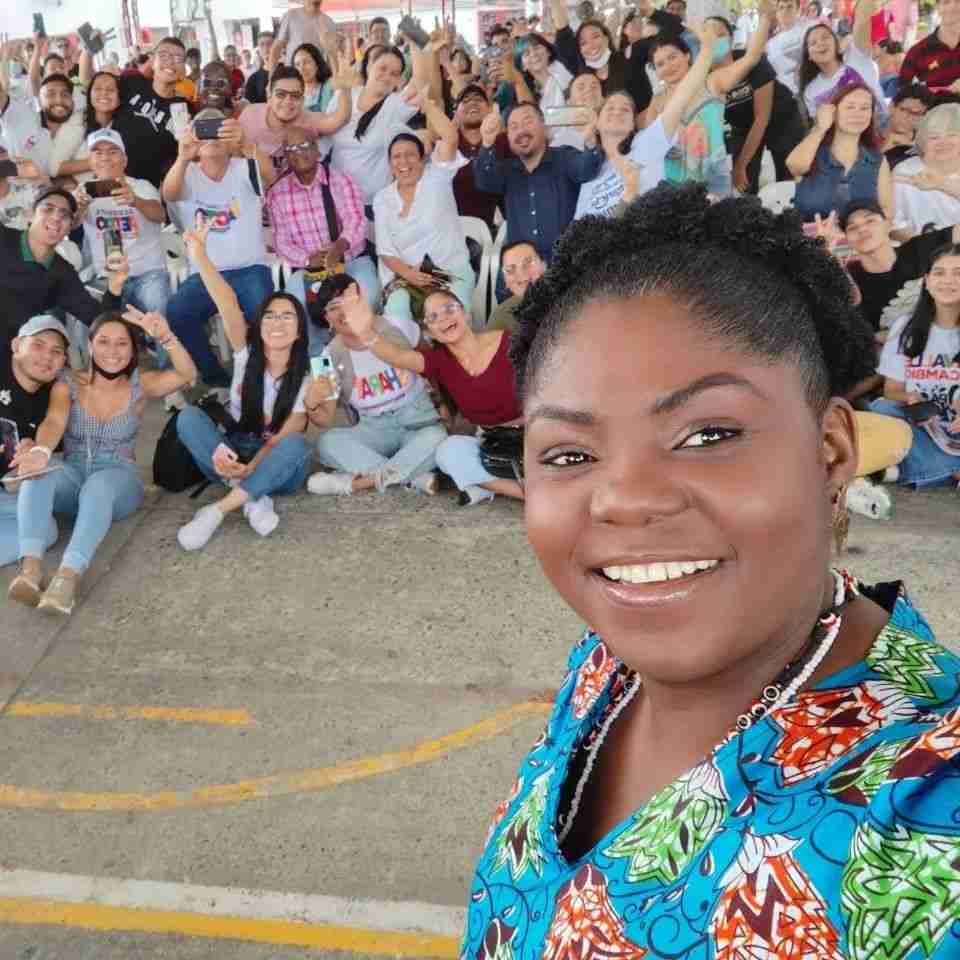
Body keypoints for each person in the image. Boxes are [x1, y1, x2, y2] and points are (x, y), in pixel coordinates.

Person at [460, 182, 960, 960]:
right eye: (568, 454)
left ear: (831, 449)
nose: (624, 501)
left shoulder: (926, 819)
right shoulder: (603, 672)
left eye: (707, 434)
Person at [15, 303, 195, 615]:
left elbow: (186, 374)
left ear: (133, 349)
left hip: (118, 479)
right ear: (90, 345)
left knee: (97, 487)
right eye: (103, 342)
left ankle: (67, 577)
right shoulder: (68, 383)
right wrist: (40, 452)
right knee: (38, 471)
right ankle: (30, 571)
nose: (112, 351)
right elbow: (55, 422)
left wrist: (165, 336)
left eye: (122, 343)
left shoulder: (141, 385)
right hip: (72, 474)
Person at [176, 226, 311, 551]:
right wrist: (199, 255)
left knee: (295, 445)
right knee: (188, 418)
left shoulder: (307, 378)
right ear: (260, 324)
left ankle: (217, 509)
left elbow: (282, 438)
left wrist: (253, 467)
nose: (277, 323)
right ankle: (251, 497)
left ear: (298, 332)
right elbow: (226, 300)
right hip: (234, 453)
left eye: (287, 317)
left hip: (275, 462)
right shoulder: (245, 353)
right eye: (270, 316)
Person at [337, 285, 524, 505]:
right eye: (434, 317)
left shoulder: (509, 342)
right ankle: (522, 493)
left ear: (465, 312)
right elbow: (396, 356)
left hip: (536, 432)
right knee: (447, 452)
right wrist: (365, 332)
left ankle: (482, 486)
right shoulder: (437, 361)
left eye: (449, 309)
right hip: (493, 444)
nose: (444, 319)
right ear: (430, 331)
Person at [304, 275, 447, 497]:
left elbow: (433, 365)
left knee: (438, 438)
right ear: (327, 318)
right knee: (326, 443)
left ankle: (353, 484)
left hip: (416, 419)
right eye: (334, 307)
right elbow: (324, 420)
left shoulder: (397, 325)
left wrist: (444, 404)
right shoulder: (326, 358)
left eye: (349, 302)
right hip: (373, 429)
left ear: (362, 302)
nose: (344, 312)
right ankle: (415, 476)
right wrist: (310, 402)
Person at [162, 121, 273, 389]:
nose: (212, 136)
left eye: (219, 129)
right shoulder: (186, 173)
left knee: (265, 314)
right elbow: (169, 193)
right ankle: (215, 377)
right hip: (204, 274)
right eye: (204, 129)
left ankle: (261, 374)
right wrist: (183, 156)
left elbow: (270, 177)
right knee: (177, 313)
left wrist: (245, 145)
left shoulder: (245, 166)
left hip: (250, 269)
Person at [576, 29, 723, 216]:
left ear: (633, 125)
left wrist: (707, 51)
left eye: (626, 109)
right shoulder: (590, 173)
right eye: (610, 107)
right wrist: (628, 194)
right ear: (597, 123)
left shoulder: (646, 142)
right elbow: (586, 236)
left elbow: (682, 95)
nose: (617, 111)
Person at [374, 97, 475, 336]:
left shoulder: (436, 178)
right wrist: (410, 274)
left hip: (448, 273)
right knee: (396, 311)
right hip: (407, 278)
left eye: (410, 155)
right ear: (390, 164)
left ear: (422, 159)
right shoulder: (383, 198)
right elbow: (386, 251)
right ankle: (411, 367)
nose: (404, 162)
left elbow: (450, 136)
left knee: (451, 315)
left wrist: (427, 105)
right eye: (396, 157)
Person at [644, 8, 773, 196]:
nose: (668, 66)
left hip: (713, 184)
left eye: (672, 57)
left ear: (687, 56)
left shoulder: (712, 82)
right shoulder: (658, 99)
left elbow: (752, 57)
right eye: (660, 64)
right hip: (672, 185)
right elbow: (651, 144)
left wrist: (766, 17)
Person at [267, 127, 380, 326]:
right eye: (291, 148)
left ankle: (359, 351)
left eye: (303, 145)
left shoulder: (341, 180)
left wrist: (341, 245)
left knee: (366, 299)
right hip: (308, 270)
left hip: (351, 261)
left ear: (317, 149)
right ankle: (317, 354)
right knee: (295, 312)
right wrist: (307, 259)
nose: (298, 152)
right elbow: (281, 242)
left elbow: (357, 220)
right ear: (285, 156)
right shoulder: (278, 194)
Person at [871, 242, 960, 485]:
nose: (948, 281)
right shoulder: (906, 328)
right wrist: (912, 398)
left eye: (958, 273)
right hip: (925, 429)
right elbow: (892, 389)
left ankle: (924, 471)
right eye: (939, 273)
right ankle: (948, 472)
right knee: (882, 410)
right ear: (927, 281)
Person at [474, 102, 603, 265]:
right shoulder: (507, 170)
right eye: (513, 127)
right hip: (524, 271)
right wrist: (487, 142)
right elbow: (484, 180)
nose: (521, 131)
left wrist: (591, 142)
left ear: (544, 127)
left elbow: (587, 168)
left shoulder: (564, 157)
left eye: (528, 122)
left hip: (567, 265)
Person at [0, 187, 123, 351]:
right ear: (30, 214)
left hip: (12, 353)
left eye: (65, 214)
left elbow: (99, 321)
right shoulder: (4, 237)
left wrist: (115, 285)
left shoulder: (62, 274)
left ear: (69, 227)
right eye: (48, 209)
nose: (57, 217)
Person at [0, 315, 70, 585]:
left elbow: (54, 422)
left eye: (56, 351)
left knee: (46, 530)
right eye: (38, 345)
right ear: (17, 345)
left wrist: (34, 451)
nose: (46, 357)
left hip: (4, 494)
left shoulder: (53, 394)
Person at [72, 129, 169, 317]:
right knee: (89, 320)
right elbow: (71, 226)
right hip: (106, 277)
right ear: (90, 162)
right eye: (97, 152)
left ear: (124, 160)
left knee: (160, 317)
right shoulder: (83, 191)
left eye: (112, 151)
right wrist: (80, 208)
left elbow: (160, 215)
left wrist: (135, 201)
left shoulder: (141, 186)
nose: (105, 157)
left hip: (147, 274)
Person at [79, 36, 193, 190]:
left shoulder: (185, 108)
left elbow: (183, 154)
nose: (171, 62)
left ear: (183, 69)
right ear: (152, 61)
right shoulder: (131, 82)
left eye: (178, 58)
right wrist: (88, 50)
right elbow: (90, 83)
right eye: (164, 55)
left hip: (146, 190)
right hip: (109, 179)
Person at [325, 44, 432, 204]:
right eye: (382, 68)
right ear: (369, 66)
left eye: (394, 74)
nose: (387, 76)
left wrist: (415, 42)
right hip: (338, 198)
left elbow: (420, 80)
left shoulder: (395, 105)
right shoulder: (344, 93)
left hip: (374, 202)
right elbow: (325, 134)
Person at [709, 16, 806, 191]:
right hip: (742, 126)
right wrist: (740, 167)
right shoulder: (704, 76)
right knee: (744, 184)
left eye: (721, 34)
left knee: (788, 178)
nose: (716, 40)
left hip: (781, 119)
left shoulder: (753, 60)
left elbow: (762, 118)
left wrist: (740, 165)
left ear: (731, 38)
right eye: (709, 36)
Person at [843, 199, 960, 332]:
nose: (862, 229)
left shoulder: (918, 249)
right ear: (847, 239)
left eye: (870, 221)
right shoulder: (850, 282)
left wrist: (945, 186)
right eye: (852, 227)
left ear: (888, 225)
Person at [547, 0, 685, 113]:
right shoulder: (580, 68)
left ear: (607, 39)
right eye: (583, 43)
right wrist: (554, 4)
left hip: (644, 133)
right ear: (580, 50)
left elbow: (676, 30)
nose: (591, 45)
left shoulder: (630, 55)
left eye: (596, 36)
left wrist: (649, 11)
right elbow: (563, 33)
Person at [789, 83, 892, 222]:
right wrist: (820, 128)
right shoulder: (811, 151)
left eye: (865, 108)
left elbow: (886, 210)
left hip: (858, 240)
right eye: (850, 107)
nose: (857, 114)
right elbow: (794, 166)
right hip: (810, 240)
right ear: (833, 112)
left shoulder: (877, 160)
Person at [237, 63, 352, 175]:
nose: (288, 102)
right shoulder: (250, 115)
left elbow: (340, 119)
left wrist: (345, 88)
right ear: (269, 96)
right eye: (281, 94)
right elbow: (235, 154)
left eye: (295, 96)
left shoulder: (308, 120)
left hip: (293, 191)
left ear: (302, 101)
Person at [797, 0, 886, 121]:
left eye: (825, 37)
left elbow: (864, 11)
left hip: (880, 130)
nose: (820, 43)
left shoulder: (854, 54)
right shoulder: (811, 91)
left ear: (836, 43)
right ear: (809, 56)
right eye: (813, 43)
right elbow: (820, 127)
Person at [0, 72, 86, 193]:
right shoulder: (24, 116)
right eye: (50, 94)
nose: (59, 100)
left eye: (65, 95)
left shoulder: (79, 129)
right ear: (39, 100)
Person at [893, 102, 960, 232]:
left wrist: (942, 184)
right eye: (934, 137)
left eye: (952, 135)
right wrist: (922, 243)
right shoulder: (905, 171)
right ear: (923, 141)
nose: (943, 142)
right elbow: (895, 224)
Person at [451, 85, 508, 230]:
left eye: (478, 99)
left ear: (490, 109)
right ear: (455, 113)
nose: (472, 103)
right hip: (448, 233)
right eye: (465, 100)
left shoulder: (503, 142)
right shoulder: (447, 144)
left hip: (491, 237)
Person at [899, 0, 960, 91]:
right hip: (933, 103)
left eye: (958, 1)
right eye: (946, 2)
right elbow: (902, 93)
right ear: (938, 8)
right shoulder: (917, 52)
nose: (953, 6)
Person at [489, 242, 546, 333]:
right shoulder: (500, 317)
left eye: (528, 264)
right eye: (510, 270)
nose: (522, 275)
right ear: (505, 281)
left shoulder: (569, 299)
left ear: (544, 265)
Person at [765, 0, 814, 94]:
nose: (785, 11)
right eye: (781, 8)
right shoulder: (770, 44)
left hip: (811, 89)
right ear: (776, 13)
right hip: (786, 96)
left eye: (789, 6)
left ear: (798, 10)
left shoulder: (809, 29)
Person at [882, 81, 933, 167]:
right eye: (904, 110)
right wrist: (884, 149)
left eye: (916, 114)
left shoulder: (926, 144)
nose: (908, 117)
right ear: (891, 107)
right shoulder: (869, 131)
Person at [274, 0, 338, 66]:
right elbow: (277, 46)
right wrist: (271, 73)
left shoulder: (329, 22)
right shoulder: (290, 15)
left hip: (316, 72)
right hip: (292, 71)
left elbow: (333, 54)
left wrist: (335, 74)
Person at [292, 43, 334, 113]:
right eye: (297, 64)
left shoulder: (329, 86)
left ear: (317, 64)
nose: (301, 68)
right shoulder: (291, 93)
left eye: (306, 62)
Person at [244, 33, 274, 104]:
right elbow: (250, 106)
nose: (266, 48)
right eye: (262, 45)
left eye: (269, 44)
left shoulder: (287, 72)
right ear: (258, 50)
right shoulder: (253, 79)